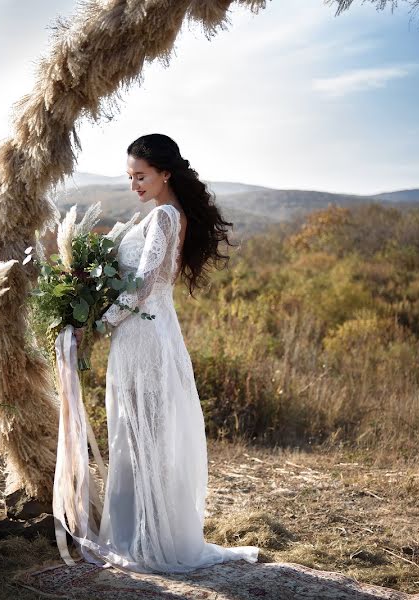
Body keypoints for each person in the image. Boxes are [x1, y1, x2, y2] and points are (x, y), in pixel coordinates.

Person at [71, 133, 259, 573]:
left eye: (141, 176)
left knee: (143, 436)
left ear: (165, 174)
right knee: (136, 434)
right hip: (142, 333)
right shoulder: (164, 215)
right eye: (130, 177)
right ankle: (143, 531)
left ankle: (151, 539)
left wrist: (97, 324)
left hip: (145, 336)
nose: (134, 184)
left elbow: (144, 287)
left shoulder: (164, 219)